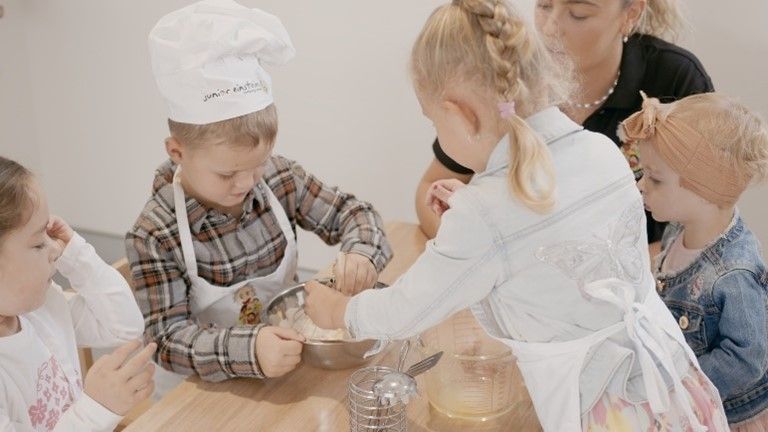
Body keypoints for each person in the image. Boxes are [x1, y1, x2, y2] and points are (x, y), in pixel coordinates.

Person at [304, 1, 728, 430]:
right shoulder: (602, 151)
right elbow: (547, 230)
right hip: (670, 377)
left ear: (460, 113)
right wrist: (472, 211)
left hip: (608, 409)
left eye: (434, 122)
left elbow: (407, 310)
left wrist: (340, 312)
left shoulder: (486, 213)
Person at [125, 0, 392, 382]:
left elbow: (356, 214)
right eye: (227, 173)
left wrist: (361, 256)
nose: (247, 183)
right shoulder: (154, 235)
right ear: (177, 152)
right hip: (206, 394)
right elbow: (167, 340)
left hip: (288, 376)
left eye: (258, 164)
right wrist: (249, 350)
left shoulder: (279, 180)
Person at [416, 0, 714, 256]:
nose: (550, 28)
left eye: (578, 14)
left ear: (631, 13)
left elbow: (711, 216)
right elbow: (430, 190)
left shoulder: (675, 80)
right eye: (544, 6)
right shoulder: (513, 76)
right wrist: (481, 252)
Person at [621, 92, 768, 430]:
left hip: (724, 414)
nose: (641, 185)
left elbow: (747, 359)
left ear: (706, 190)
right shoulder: (678, 230)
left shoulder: (733, 274)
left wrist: (681, 386)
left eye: (655, 179)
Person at [0, 156, 154, 431]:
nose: (56, 249)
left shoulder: (42, 308)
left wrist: (78, 254)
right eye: (38, 244)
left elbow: (125, 327)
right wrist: (96, 409)